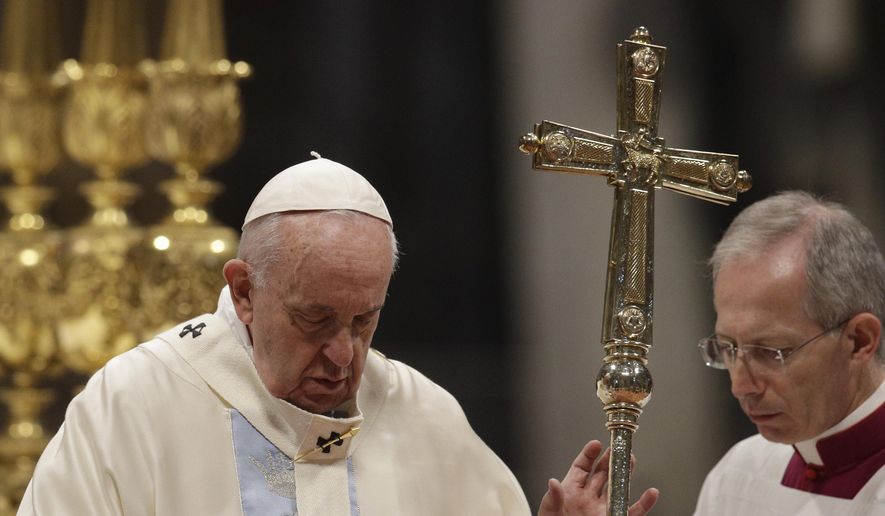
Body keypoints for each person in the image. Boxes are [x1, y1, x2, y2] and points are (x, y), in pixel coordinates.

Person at [19, 156, 658, 515]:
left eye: (364, 321)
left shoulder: (421, 414)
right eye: (315, 320)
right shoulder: (134, 404)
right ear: (244, 292)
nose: (343, 355)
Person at [694, 191, 885, 515]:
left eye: (771, 351)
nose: (740, 387)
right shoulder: (739, 473)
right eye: (728, 347)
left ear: (859, 340)